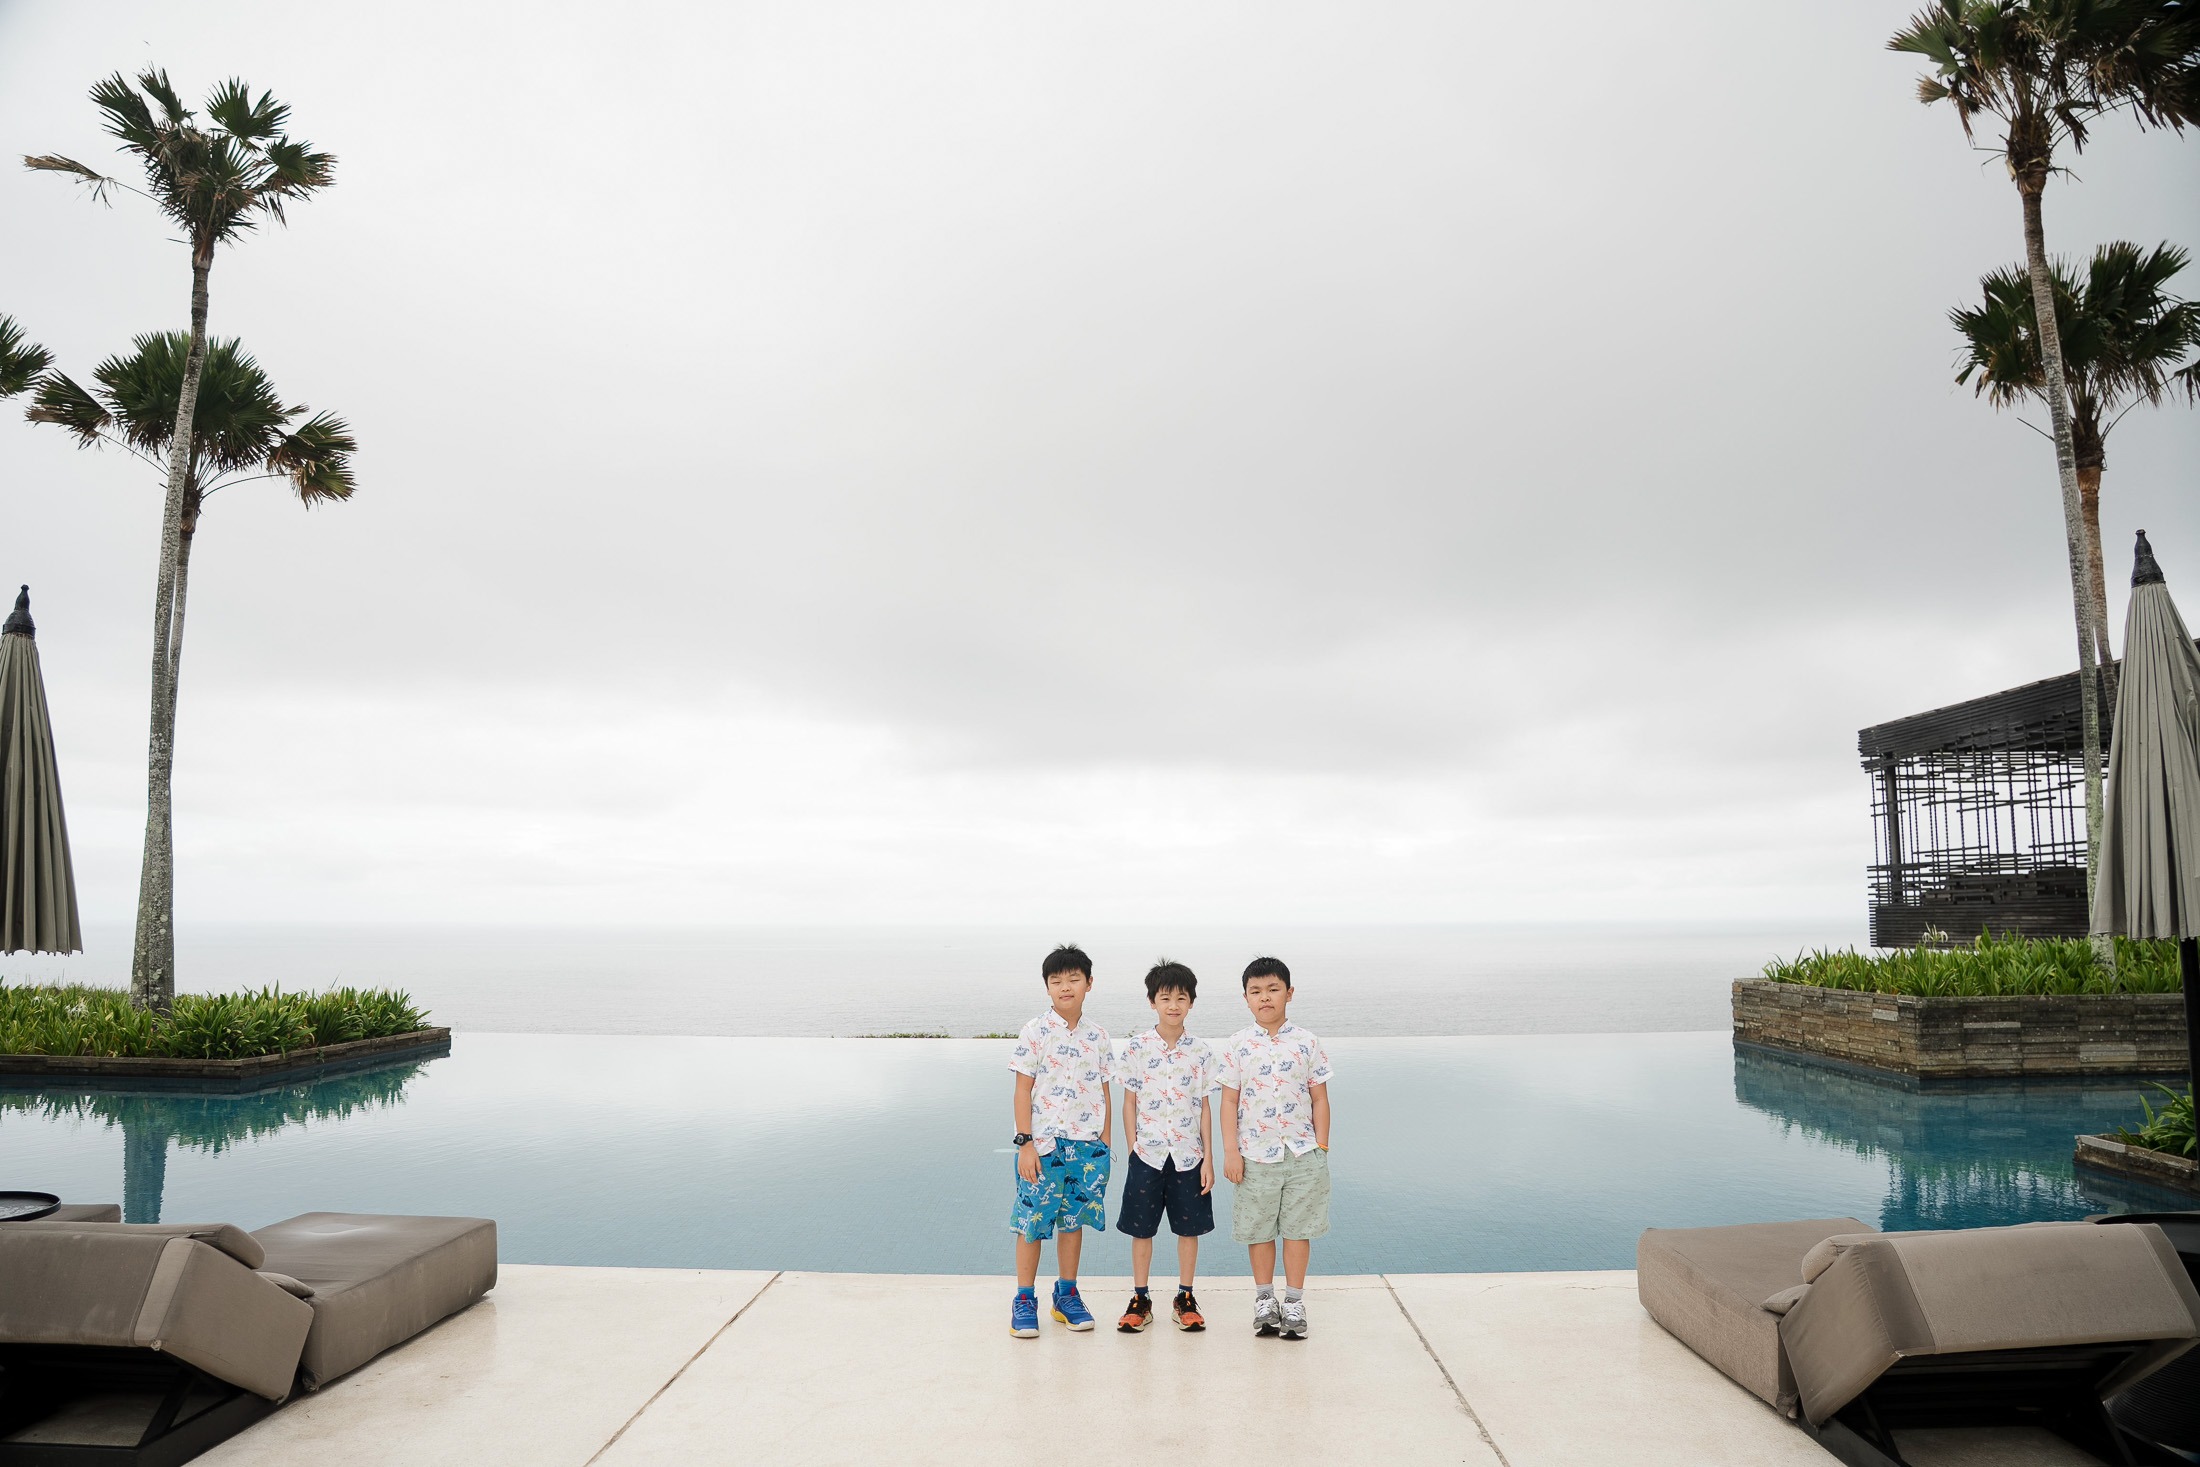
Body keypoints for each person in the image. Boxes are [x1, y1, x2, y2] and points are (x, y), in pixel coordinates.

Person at [1217, 955, 1332, 1340]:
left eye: (1273, 989)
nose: (1265, 997)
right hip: (1254, 1155)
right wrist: (1231, 1152)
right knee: (1259, 1230)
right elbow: (1229, 1102)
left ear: (1289, 992)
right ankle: (1265, 1300)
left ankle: (1295, 1302)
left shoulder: (1307, 1041)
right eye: (1256, 991)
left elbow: (1319, 1097)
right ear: (1246, 998)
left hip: (1302, 1154)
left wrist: (1322, 1147)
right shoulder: (1237, 1045)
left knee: (1298, 1231)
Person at [1006, 944, 1113, 1338]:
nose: (1065, 986)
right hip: (1044, 1146)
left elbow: (1104, 1091)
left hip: (1086, 1147)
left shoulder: (1099, 1036)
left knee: (1073, 1222)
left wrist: (1104, 1145)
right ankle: (1023, 1299)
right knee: (1032, 1223)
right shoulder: (1035, 1031)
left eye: (1073, 979)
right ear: (1047, 988)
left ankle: (1066, 1296)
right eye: (1056, 981)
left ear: (1089, 983)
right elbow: (1022, 1091)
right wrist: (1025, 1143)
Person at [1111, 960, 1216, 1333]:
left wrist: (1208, 1159)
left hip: (1189, 1155)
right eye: (1165, 997)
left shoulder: (1202, 1052)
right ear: (1152, 1001)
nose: (1173, 1005)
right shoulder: (1137, 1048)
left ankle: (1185, 1297)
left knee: (1188, 1231)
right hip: (1148, 1154)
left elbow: (1205, 1107)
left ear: (1191, 1002)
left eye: (1181, 998)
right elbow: (1129, 1102)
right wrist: (1133, 1148)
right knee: (1142, 1230)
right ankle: (1140, 1299)